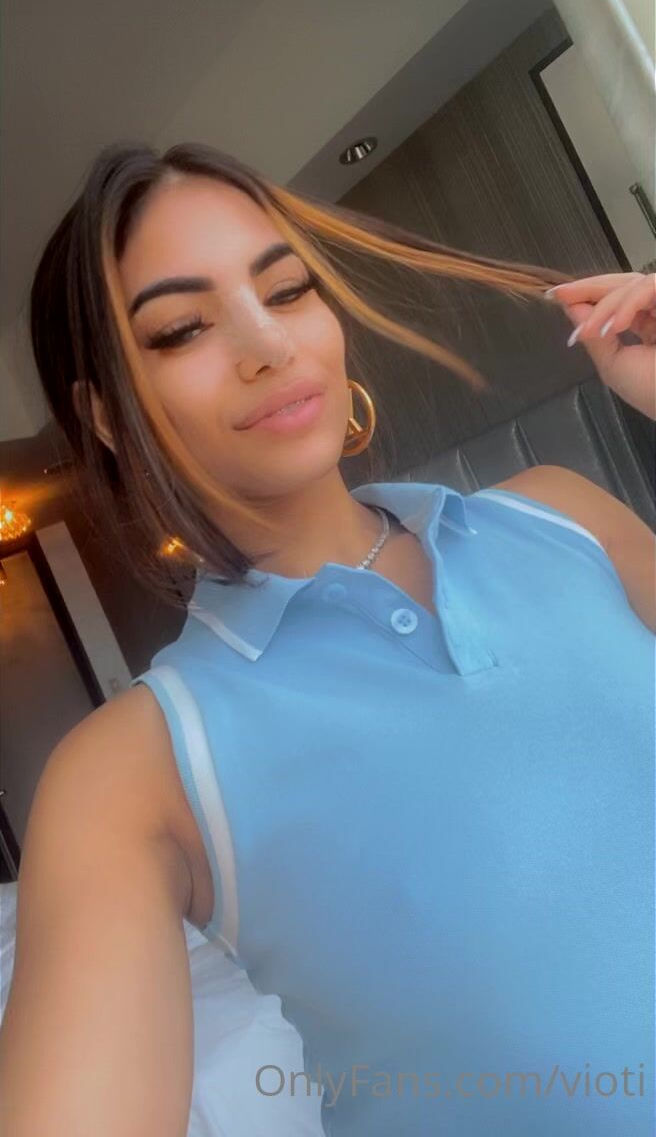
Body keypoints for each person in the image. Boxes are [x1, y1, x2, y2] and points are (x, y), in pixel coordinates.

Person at [0, 141, 653, 1137]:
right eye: (180, 328)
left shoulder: (562, 516)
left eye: (287, 288)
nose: (267, 343)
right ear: (108, 419)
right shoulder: (133, 768)